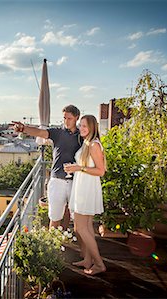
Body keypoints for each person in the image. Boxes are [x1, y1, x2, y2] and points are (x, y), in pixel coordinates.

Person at [12, 105, 83, 229]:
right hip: (57, 180)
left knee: (74, 216)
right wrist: (24, 128)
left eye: (69, 118)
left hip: (75, 181)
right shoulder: (58, 133)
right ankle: (53, 244)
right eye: (64, 118)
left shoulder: (82, 136)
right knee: (55, 217)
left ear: (77, 118)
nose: (66, 121)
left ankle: (66, 239)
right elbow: (40, 132)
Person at [64, 114, 106, 276]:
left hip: (87, 189)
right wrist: (77, 167)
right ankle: (88, 260)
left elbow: (101, 171)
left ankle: (99, 264)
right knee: (85, 227)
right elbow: (85, 165)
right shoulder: (87, 142)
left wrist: (78, 168)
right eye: (80, 125)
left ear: (92, 128)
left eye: (84, 126)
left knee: (80, 228)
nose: (81, 128)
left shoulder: (94, 145)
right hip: (83, 187)